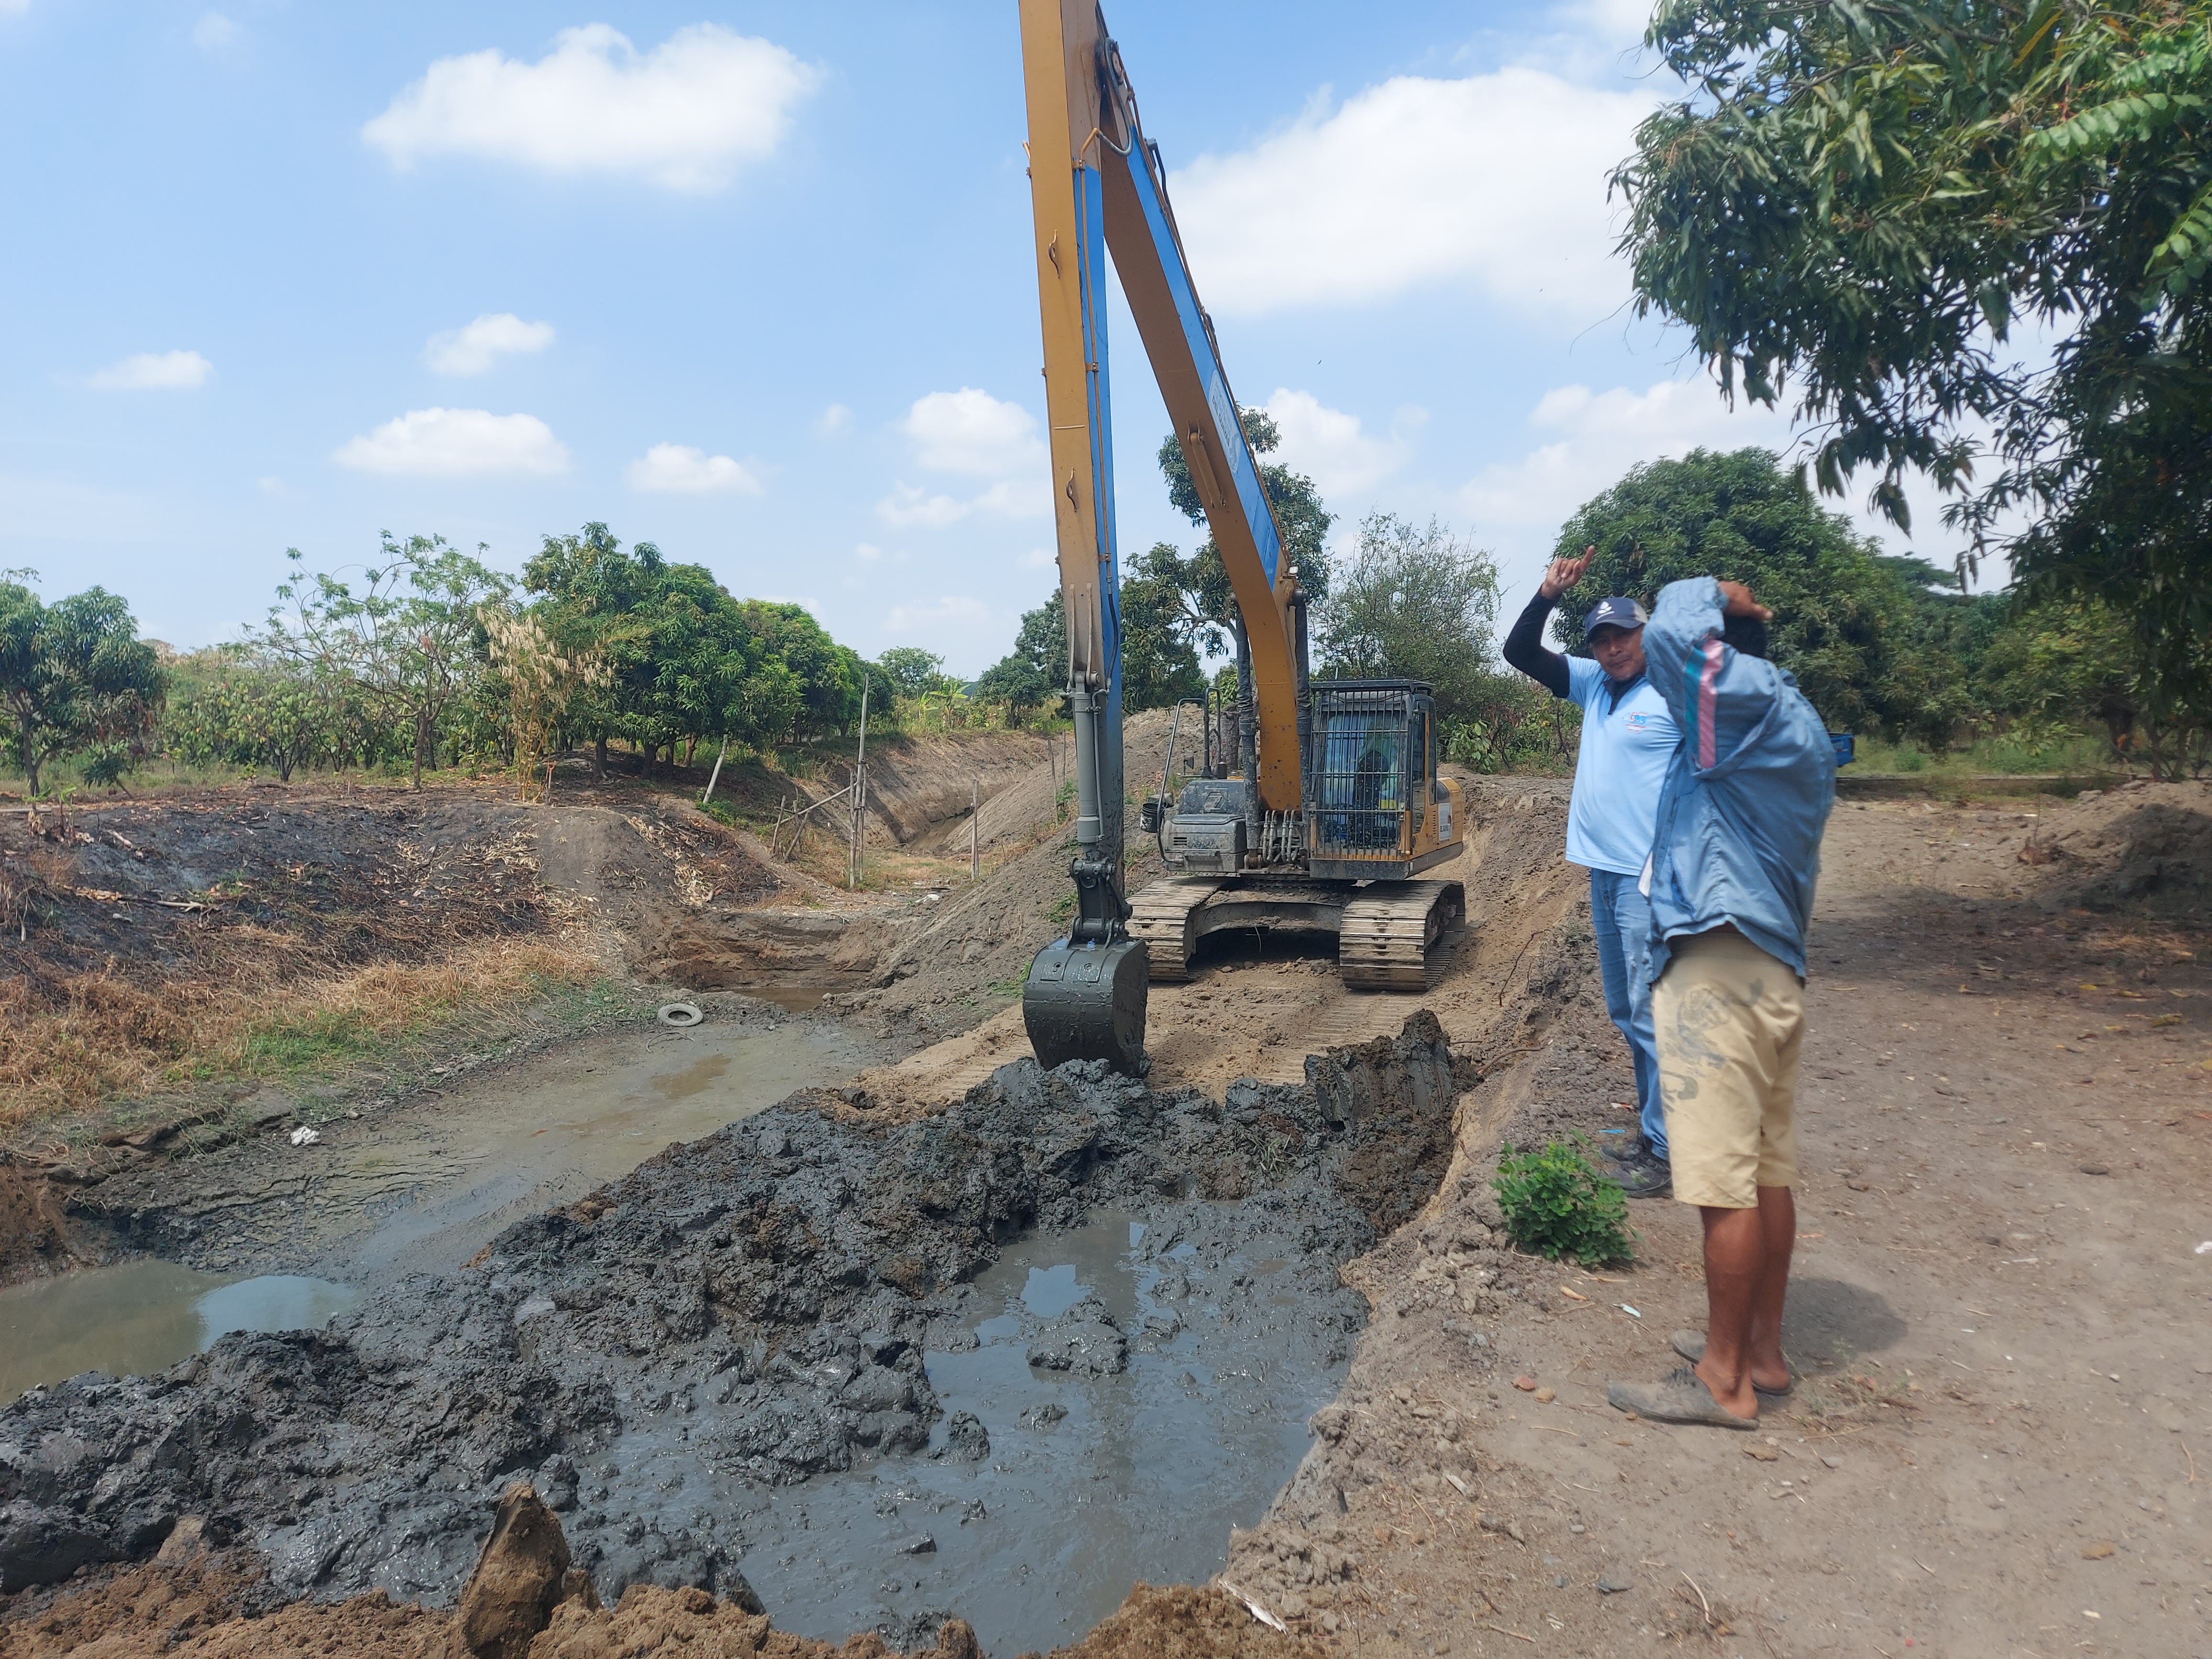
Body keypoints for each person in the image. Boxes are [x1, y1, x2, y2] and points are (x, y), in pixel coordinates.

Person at [1607, 577, 1836, 1428]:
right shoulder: (1800, 727)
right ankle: (1762, 1353)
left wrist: (1708, 591)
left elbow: (1672, 638)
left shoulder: (1743, 711)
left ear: (1724, 662)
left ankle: (1722, 1380)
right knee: (1766, 1172)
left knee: (1722, 1185)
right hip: (1772, 971)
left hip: (1718, 974)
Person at [1502, 548, 1678, 1200]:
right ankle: (1654, 1134)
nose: (1612, 650)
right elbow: (1520, 652)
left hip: (1647, 881)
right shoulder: (1594, 685)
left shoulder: (1675, 693)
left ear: (1646, 635)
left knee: (1654, 1013)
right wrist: (1547, 593)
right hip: (1603, 874)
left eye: (1623, 636)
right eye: (1601, 641)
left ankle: (1671, 1150)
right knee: (1627, 1010)